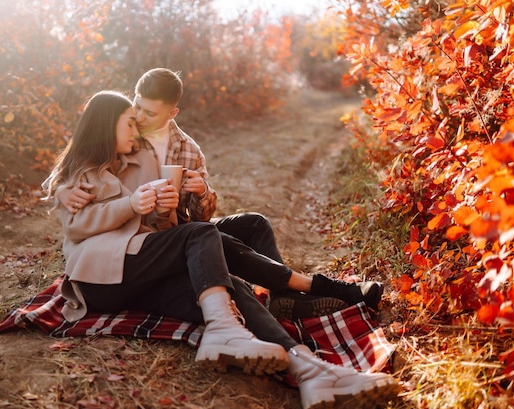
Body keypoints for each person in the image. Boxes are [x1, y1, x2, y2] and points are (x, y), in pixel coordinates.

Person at [43, 90, 400, 409]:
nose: (136, 130)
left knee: (230, 285)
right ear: (107, 126)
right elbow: (77, 226)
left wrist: (166, 208)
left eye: (138, 123)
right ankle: (233, 323)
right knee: (201, 233)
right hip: (99, 280)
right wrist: (129, 204)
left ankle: (311, 371)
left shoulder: (139, 158)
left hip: (138, 269)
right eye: (129, 123)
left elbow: (157, 226)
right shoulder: (80, 172)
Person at [58, 68, 384, 319]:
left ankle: (284, 294)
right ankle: (312, 286)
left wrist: (201, 193)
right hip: (147, 242)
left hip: (181, 230)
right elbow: (84, 159)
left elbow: (201, 217)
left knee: (252, 224)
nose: (140, 118)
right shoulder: (125, 132)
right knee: (202, 238)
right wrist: (62, 191)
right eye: (138, 109)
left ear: (172, 113)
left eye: (149, 113)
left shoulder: (187, 150)